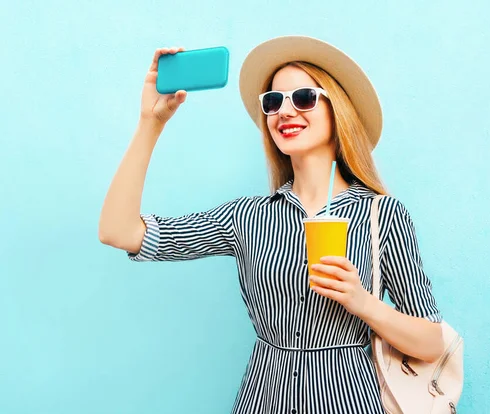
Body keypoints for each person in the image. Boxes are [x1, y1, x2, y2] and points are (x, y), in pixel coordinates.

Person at [99, 35, 444, 414]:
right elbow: (119, 231)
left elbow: (431, 342)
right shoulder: (246, 217)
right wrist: (151, 122)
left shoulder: (383, 215)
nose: (284, 111)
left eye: (304, 98)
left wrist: (363, 303)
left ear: (338, 110)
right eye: (273, 101)